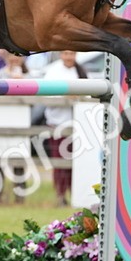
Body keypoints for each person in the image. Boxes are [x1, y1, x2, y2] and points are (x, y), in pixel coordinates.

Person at [39, 50, 88, 206]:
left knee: (76, 162)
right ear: (61, 54)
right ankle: (60, 194)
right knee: (60, 161)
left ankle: (75, 194)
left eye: (72, 54)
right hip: (57, 122)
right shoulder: (53, 72)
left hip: (77, 124)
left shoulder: (80, 71)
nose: (69, 57)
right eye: (66, 54)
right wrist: (66, 95)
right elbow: (46, 94)